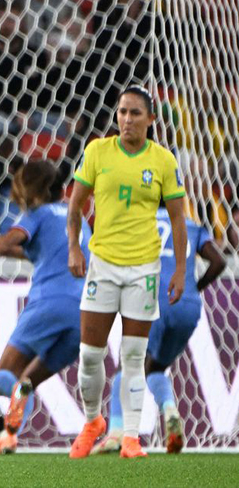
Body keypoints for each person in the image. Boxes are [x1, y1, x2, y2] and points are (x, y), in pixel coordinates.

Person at [67, 85, 187, 459]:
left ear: (151, 120)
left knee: (133, 356)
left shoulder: (163, 160)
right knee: (90, 355)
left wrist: (180, 269)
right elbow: (75, 206)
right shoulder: (98, 152)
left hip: (144, 268)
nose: (126, 119)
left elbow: (180, 221)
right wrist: (74, 246)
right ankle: (92, 421)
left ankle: (131, 437)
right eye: (122, 112)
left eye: (135, 113)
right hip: (102, 263)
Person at [0, 160, 91, 455]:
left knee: (2, 378)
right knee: (25, 384)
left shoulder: (36, 215)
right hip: (83, 315)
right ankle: (10, 437)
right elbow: (39, 251)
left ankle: (11, 432)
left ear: (30, 187)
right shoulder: (77, 219)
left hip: (48, 303)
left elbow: (12, 238)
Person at [93, 207, 225, 455]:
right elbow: (219, 261)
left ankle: (116, 431)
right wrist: (194, 289)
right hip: (186, 304)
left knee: (130, 364)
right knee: (155, 367)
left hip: (151, 297)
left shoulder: (139, 222)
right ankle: (169, 409)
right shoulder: (190, 224)